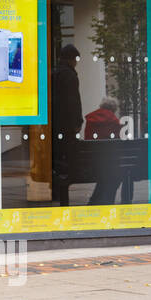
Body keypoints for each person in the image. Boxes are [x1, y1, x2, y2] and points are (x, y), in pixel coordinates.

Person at [83, 97, 133, 205]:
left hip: (92, 164)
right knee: (116, 174)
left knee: (107, 175)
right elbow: (119, 145)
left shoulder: (90, 119)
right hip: (110, 164)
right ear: (114, 109)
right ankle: (108, 202)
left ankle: (94, 201)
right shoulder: (114, 122)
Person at [51, 43, 83, 207]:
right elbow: (73, 101)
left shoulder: (53, 74)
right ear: (72, 59)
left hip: (54, 125)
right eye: (76, 59)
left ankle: (56, 190)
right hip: (66, 126)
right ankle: (62, 192)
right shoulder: (70, 75)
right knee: (66, 158)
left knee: (57, 158)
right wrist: (77, 122)